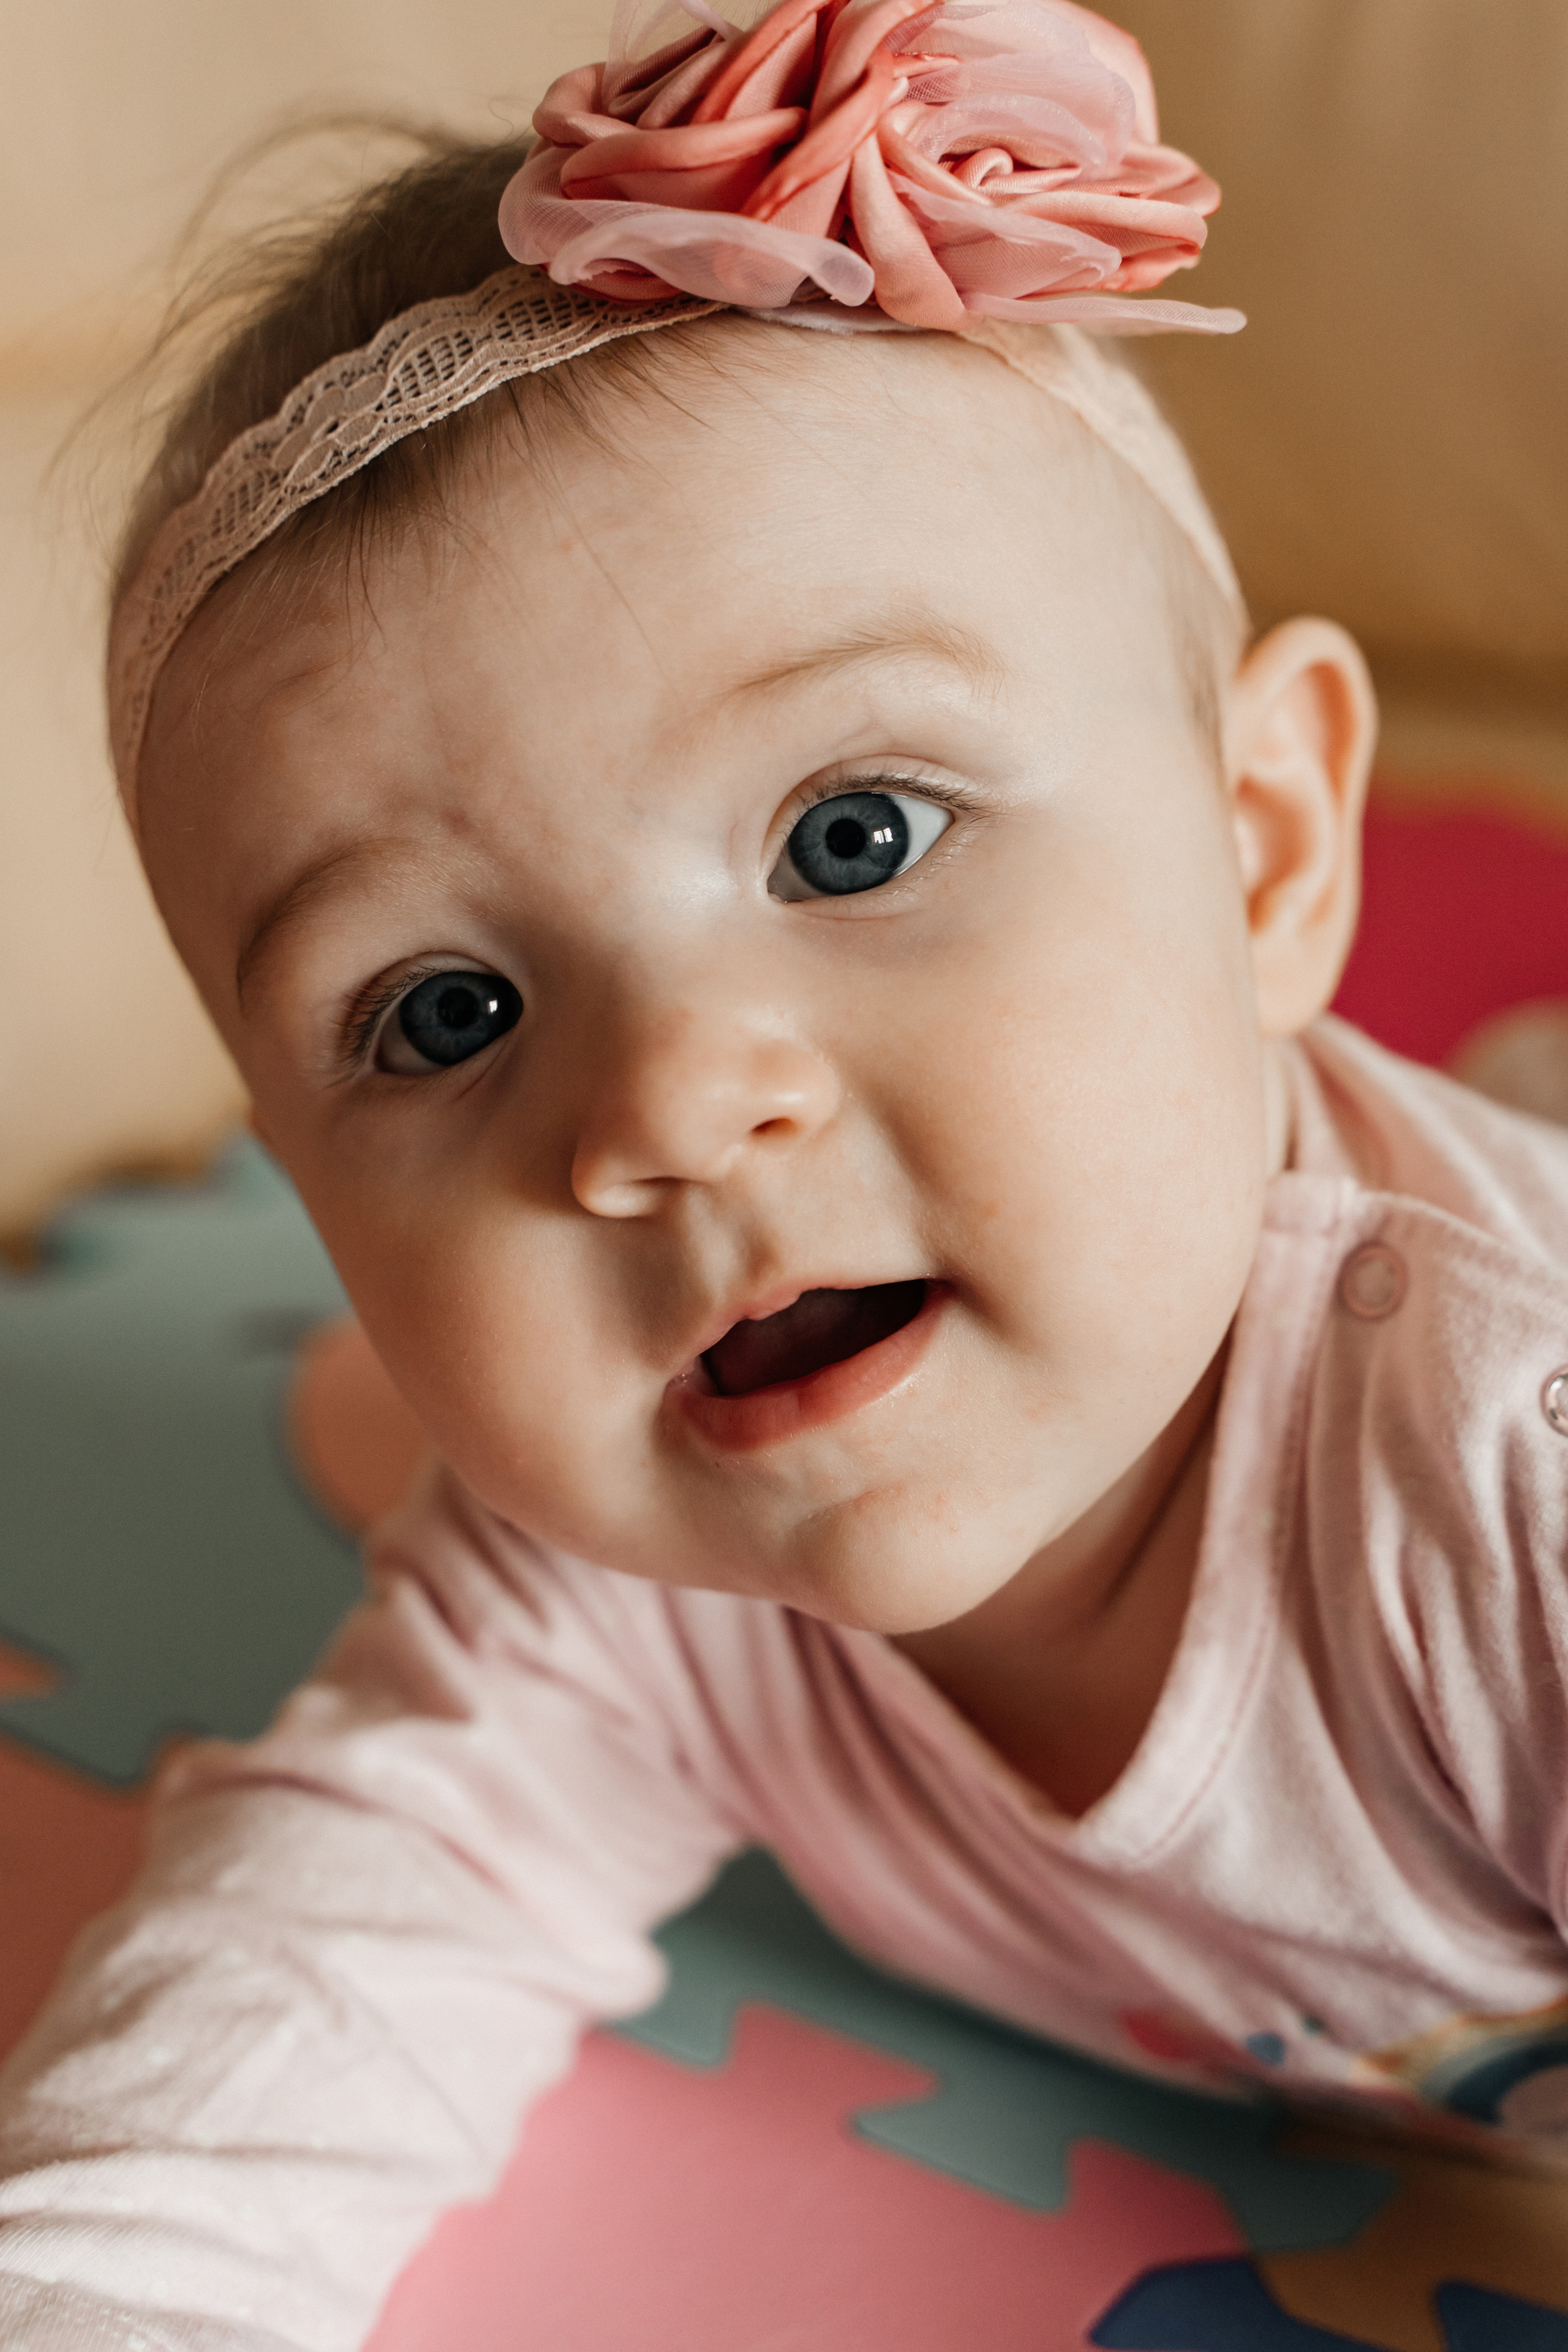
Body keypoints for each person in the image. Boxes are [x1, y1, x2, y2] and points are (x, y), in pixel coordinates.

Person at [6, 1, 1568, 2343]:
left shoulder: (1503, 1489)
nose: (662, 1107)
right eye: (445, 1015)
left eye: (855, 838)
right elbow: (314, 1970)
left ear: (1261, 853)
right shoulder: (608, 1565)